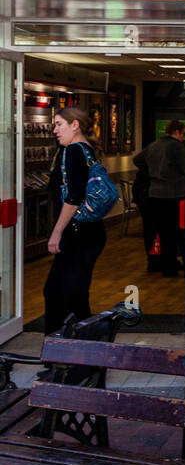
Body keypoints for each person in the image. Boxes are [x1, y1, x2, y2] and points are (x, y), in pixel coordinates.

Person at [44, 107, 107, 333]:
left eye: (59, 124)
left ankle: (70, 354)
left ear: (75, 125)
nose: (55, 130)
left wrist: (57, 232)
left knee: (63, 294)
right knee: (70, 292)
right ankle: (77, 355)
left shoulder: (73, 151)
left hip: (77, 232)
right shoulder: (87, 150)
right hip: (88, 232)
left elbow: (73, 197)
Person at [133, 121, 185, 279]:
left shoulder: (154, 145)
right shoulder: (176, 147)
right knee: (180, 232)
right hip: (175, 194)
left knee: (164, 233)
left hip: (155, 194)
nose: (182, 137)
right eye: (182, 133)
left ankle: (168, 267)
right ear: (176, 132)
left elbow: (137, 160)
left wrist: (151, 173)